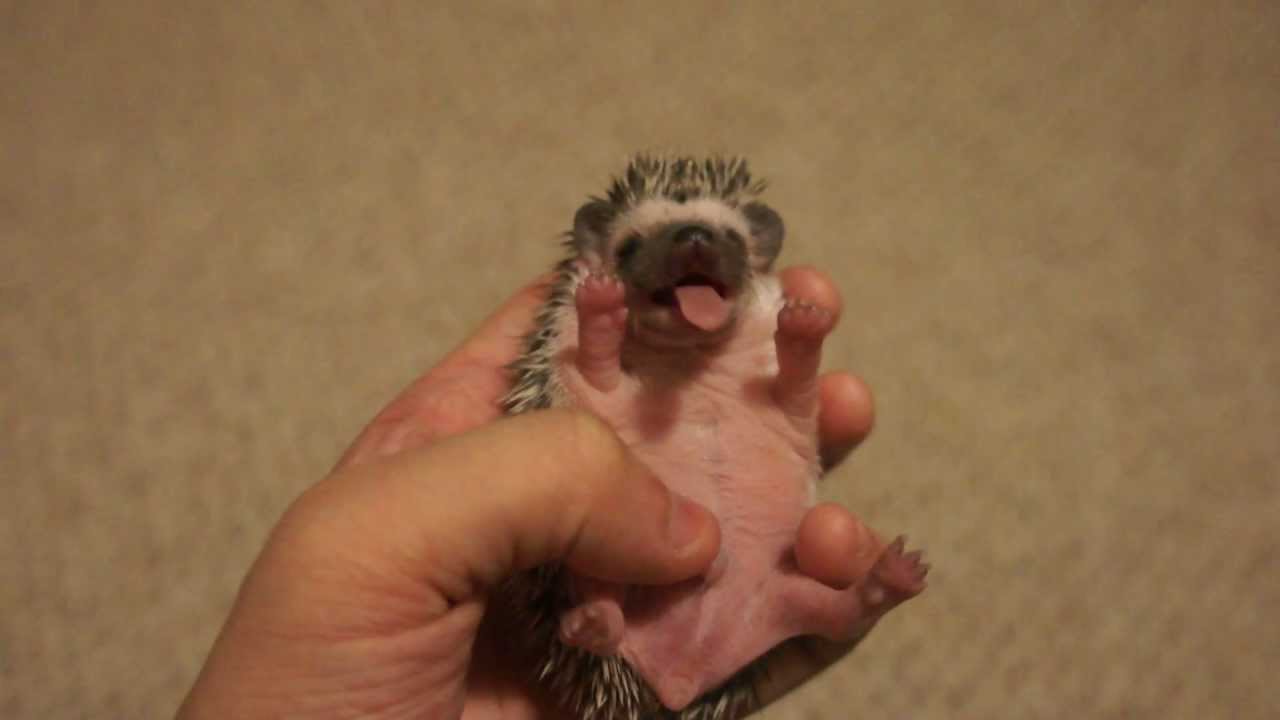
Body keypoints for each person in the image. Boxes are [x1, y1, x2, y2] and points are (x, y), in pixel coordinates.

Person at [178, 267, 892, 719]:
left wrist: (798, 347)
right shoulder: (589, 354)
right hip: (636, 613)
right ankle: (616, 622)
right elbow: (598, 379)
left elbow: (790, 401)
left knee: (784, 584)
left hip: (732, 596)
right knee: (596, 559)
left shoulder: (746, 338)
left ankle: (840, 605)